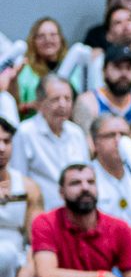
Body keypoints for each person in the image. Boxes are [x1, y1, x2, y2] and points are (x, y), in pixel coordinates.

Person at [11, 76, 91, 210]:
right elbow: (19, 181)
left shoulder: (76, 133)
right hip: (41, 213)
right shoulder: (25, 133)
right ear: (40, 104)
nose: (62, 105)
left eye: (67, 99)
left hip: (76, 212)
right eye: (55, 99)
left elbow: (86, 175)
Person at [90, 114, 131, 251]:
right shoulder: (87, 178)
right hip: (103, 252)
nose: (118, 141)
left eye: (124, 135)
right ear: (95, 142)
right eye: (110, 135)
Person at [0, 116, 39, 277]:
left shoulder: (28, 187)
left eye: (6, 141)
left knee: (6, 254)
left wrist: (30, 268)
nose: (1, 148)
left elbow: (37, 238)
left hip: (16, 257)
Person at [74, 42, 131, 132]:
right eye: (118, 67)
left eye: (129, 68)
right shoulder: (88, 102)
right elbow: (85, 139)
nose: (124, 73)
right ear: (104, 70)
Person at [16, 17, 78, 115]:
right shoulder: (25, 69)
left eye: (53, 35)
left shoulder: (74, 67)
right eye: (41, 36)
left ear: (61, 39)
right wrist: (30, 106)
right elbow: (15, 107)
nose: (48, 40)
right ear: (33, 41)